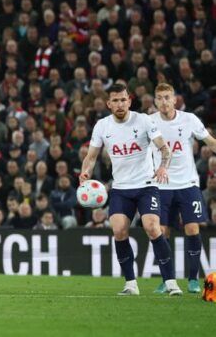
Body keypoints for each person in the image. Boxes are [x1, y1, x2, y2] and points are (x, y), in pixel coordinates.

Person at [80, 83, 181, 296]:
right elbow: (91, 156)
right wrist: (85, 173)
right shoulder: (102, 126)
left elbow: (165, 149)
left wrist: (163, 166)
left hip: (146, 186)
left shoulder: (143, 120)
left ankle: (171, 283)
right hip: (121, 188)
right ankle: (130, 284)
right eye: (115, 100)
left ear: (129, 101)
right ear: (108, 104)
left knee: (153, 228)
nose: (120, 104)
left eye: (123, 99)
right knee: (118, 230)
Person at [150, 83, 216, 294]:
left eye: (167, 97)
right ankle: (166, 280)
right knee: (162, 232)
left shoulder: (189, 119)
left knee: (193, 229)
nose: (164, 102)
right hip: (161, 186)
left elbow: (210, 142)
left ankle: (193, 279)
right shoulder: (149, 122)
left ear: (175, 99)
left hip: (188, 184)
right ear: (155, 100)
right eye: (159, 98)